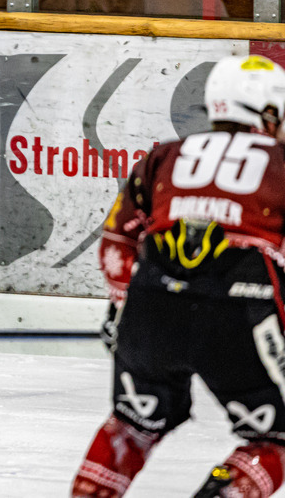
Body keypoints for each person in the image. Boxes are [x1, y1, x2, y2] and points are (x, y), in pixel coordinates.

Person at [72, 55, 285, 497]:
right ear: (267, 113)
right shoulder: (280, 161)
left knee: (132, 427)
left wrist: (123, 306)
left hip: (151, 301)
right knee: (275, 441)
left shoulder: (165, 155)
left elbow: (117, 243)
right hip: (242, 309)